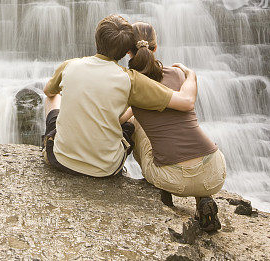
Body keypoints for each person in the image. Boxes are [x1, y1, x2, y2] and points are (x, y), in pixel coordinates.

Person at [41, 14, 198, 178]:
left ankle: (57, 142)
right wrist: (191, 75)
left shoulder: (70, 65)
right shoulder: (131, 80)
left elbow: (48, 91)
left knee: (53, 97)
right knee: (134, 118)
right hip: (105, 169)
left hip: (59, 160)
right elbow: (187, 102)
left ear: (96, 40)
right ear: (126, 52)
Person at [121, 21, 226, 233]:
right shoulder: (178, 75)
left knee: (135, 126)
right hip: (214, 173)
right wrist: (191, 74)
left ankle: (162, 195)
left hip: (172, 180)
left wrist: (134, 108)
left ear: (127, 51)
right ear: (155, 48)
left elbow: (120, 120)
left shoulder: (130, 84)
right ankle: (203, 200)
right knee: (184, 124)